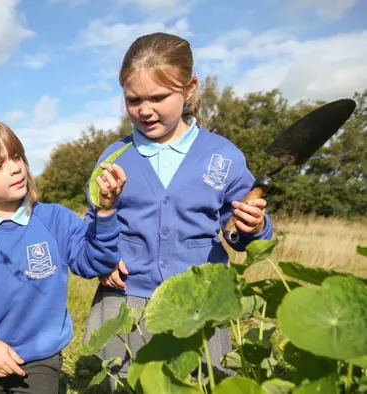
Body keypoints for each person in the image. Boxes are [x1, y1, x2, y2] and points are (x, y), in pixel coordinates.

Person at [83, 32, 274, 391]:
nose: (145, 109)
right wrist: (103, 260)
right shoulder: (114, 156)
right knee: (128, 383)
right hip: (128, 302)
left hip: (198, 304)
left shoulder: (222, 156)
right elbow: (94, 223)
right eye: (134, 99)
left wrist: (253, 226)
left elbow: (239, 234)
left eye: (158, 97)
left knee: (197, 382)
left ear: (189, 89)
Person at [0, 116, 127, 393]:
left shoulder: (54, 219)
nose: (15, 168)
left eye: (16, 157)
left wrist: (106, 212)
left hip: (41, 359)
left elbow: (94, 261)